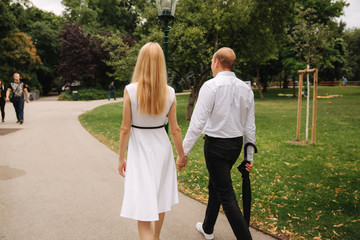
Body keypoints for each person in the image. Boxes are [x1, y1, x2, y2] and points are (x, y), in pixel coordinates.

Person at [178, 47, 255, 240]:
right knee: (217, 185)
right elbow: (250, 125)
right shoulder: (246, 89)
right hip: (235, 146)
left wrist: (183, 153)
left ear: (217, 62)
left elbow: (197, 124)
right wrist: (248, 155)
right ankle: (208, 227)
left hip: (216, 148)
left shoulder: (211, 86)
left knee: (226, 194)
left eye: (212, 62)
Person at [118, 42, 186, 240]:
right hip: (162, 149)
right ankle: (156, 237)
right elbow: (175, 129)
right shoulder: (170, 92)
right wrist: (181, 154)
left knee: (143, 208)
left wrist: (121, 157)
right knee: (160, 198)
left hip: (140, 151)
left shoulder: (130, 90)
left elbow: (125, 128)